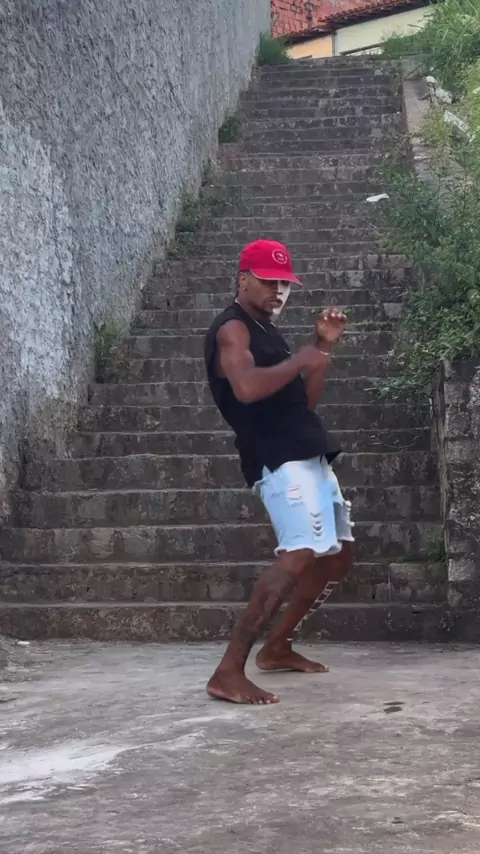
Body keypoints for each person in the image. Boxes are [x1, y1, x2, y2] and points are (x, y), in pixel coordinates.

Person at [204, 239, 354, 704]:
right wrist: (300, 359)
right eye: (269, 281)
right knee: (298, 554)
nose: (279, 290)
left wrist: (320, 348)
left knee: (338, 555)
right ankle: (228, 671)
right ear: (242, 278)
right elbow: (247, 389)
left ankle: (277, 647)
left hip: (308, 450)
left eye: (285, 283)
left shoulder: (266, 329)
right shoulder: (233, 329)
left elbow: (303, 402)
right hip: (277, 458)